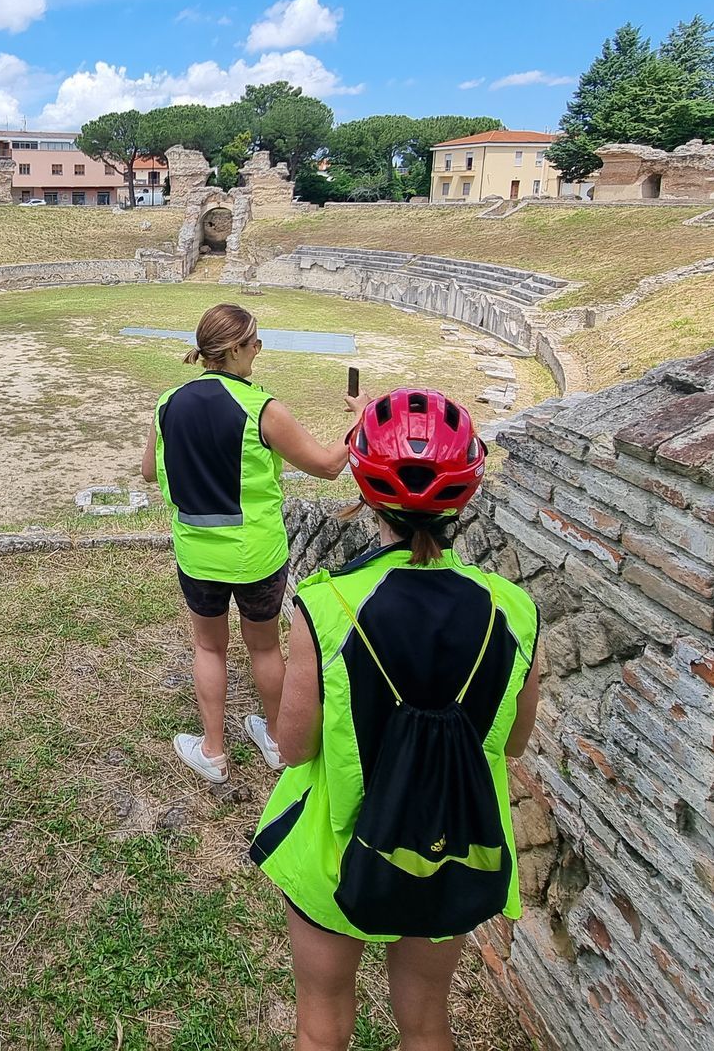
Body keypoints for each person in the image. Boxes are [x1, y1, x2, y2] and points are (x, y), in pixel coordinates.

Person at [251, 388, 541, 1051]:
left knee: (321, 1016)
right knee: (428, 1020)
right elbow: (516, 741)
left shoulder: (326, 609)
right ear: (462, 501)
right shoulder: (514, 611)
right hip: (451, 848)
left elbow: (293, 749)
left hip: (336, 853)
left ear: (363, 491)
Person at [140, 303, 368, 784]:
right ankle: (279, 744)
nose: (259, 351)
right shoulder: (262, 408)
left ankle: (213, 752)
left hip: (197, 552)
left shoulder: (168, 403)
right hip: (258, 553)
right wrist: (361, 420)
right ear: (238, 349)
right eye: (255, 343)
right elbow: (329, 465)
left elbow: (147, 472)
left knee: (210, 647)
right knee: (265, 648)